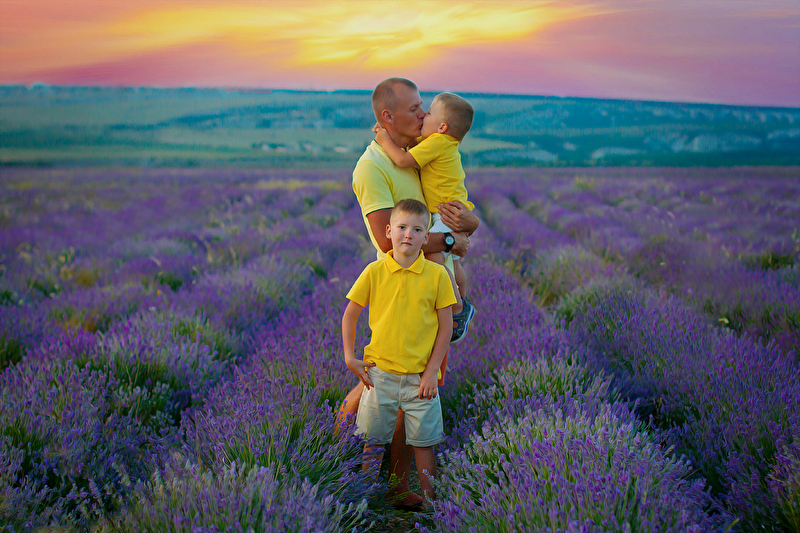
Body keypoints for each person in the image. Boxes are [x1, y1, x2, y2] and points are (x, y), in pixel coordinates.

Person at [339, 77, 479, 510]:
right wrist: (452, 241)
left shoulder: (416, 154)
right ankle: (336, 455)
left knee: (416, 387)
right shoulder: (372, 167)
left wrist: (467, 226)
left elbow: (450, 211)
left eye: (424, 108)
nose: (422, 115)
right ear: (387, 117)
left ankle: (397, 484)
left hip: (429, 286)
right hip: (397, 290)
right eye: (415, 109)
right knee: (383, 382)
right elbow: (389, 241)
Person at [342, 199, 455, 505]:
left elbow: (445, 328)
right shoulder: (375, 271)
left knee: (424, 444)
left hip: (420, 380)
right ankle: (367, 502)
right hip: (380, 377)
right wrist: (350, 357)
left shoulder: (437, 276)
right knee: (373, 442)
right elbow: (350, 313)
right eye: (402, 227)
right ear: (389, 232)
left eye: (417, 230)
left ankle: (431, 507)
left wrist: (431, 372)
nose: (408, 234)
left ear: (426, 237)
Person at [373, 92, 476, 342]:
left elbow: (404, 159)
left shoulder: (437, 142)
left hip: (445, 215)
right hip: (454, 210)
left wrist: (384, 139)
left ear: (442, 127)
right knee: (455, 264)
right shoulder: (443, 142)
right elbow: (413, 142)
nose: (423, 116)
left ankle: (457, 308)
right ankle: (463, 300)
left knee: (436, 259)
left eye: (428, 113)